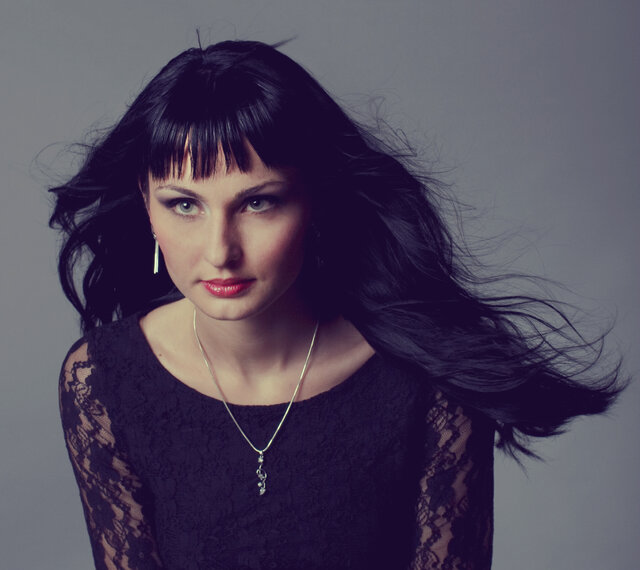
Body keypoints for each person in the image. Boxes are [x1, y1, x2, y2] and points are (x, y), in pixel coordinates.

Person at [49, 40, 624, 570]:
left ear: (315, 202)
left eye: (258, 203)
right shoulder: (101, 380)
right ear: (146, 204)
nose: (220, 250)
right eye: (184, 205)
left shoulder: (431, 382)